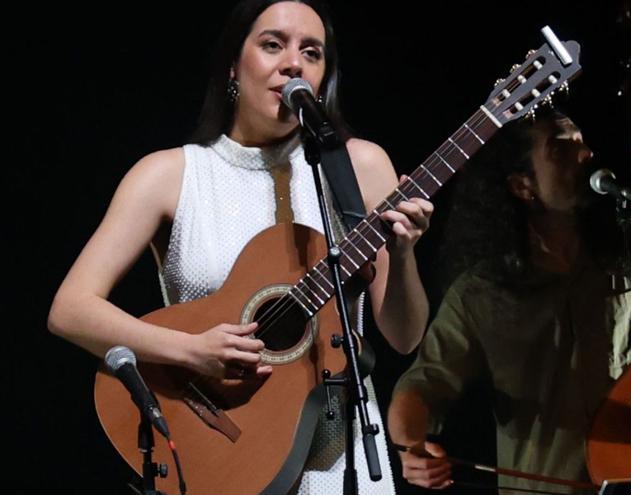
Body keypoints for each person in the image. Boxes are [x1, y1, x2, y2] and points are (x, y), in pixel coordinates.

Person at [47, 1, 431, 493]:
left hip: (342, 463)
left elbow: (403, 336)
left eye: (311, 52)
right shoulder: (170, 175)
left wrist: (402, 257)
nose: (293, 62)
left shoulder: (359, 166)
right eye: (273, 44)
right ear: (233, 64)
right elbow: (71, 309)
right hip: (221, 455)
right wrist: (191, 351)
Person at [388, 111, 631, 493]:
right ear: (522, 186)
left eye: (583, 143)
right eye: (562, 149)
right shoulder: (481, 292)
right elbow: (423, 385)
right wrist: (411, 448)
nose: (586, 155)